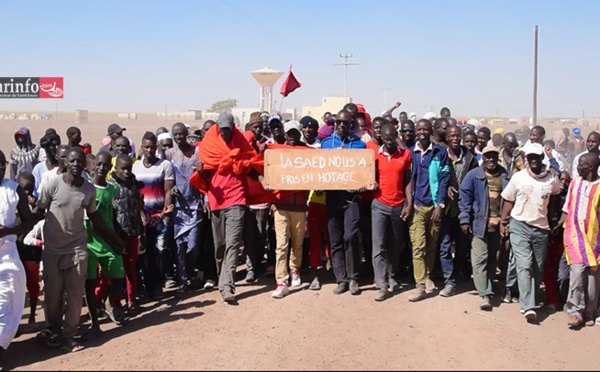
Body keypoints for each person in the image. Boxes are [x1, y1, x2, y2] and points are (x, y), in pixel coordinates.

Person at [34, 147, 123, 352]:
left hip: (77, 249)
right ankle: (53, 330)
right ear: (65, 162)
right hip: (53, 250)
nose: (75, 164)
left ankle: (69, 336)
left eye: (79, 161)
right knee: (53, 295)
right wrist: (18, 233)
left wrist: (114, 240)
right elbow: (38, 211)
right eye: (72, 161)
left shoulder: (88, 190)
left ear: (85, 164)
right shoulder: (52, 186)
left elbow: (95, 219)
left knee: (75, 294)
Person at [193, 112, 262, 303]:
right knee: (220, 245)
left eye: (227, 129)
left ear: (233, 127)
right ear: (217, 127)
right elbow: (206, 176)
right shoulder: (209, 144)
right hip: (217, 199)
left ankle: (226, 286)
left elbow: (250, 163)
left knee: (233, 243)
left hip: (237, 198)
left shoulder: (241, 142)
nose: (224, 132)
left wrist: (262, 179)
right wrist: (201, 171)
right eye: (221, 128)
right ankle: (222, 276)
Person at [500, 142, 560, 322]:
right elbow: (508, 200)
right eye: (530, 157)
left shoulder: (551, 179)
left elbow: (554, 201)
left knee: (537, 267)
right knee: (524, 264)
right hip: (520, 225)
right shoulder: (518, 177)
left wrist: (553, 223)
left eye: (537, 157)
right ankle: (528, 306)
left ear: (542, 158)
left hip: (541, 228)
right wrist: (504, 221)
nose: (533, 160)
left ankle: (529, 298)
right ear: (526, 158)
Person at [321, 109, 367, 295]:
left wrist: (365, 183)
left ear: (351, 125)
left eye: (344, 123)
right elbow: (318, 170)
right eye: (338, 122)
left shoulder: (360, 146)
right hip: (332, 197)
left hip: (352, 199)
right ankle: (341, 279)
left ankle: (354, 277)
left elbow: (365, 171)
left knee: (351, 237)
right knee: (336, 240)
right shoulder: (325, 145)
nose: (341, 125)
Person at [459, 146, 510, 309]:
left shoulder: (505, 176)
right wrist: (465, 220)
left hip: (498, 227)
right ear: (484, 158)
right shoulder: (474, 176)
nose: (491, 160)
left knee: (492, 259)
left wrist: (506, 223)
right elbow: (464, 199)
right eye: (488, 156)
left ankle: (488, 284)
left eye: (494, 156)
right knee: (479, 259)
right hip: (479, 226)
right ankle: (485, 294)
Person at [408, 119, 451, 302]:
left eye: (426, 129)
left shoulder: (440, 152)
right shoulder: (410, 153)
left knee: (432, 245)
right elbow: (406, 180)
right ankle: (420, 286)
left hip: (434, 206)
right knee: (418, 246)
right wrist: (409, 203)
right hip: (417, 206)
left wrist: (440, 204)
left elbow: (444, 178)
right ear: (416, 132)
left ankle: (428, 275)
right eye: (419, 129)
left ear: (431, 131)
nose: (422, 132)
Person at [556, 153, 600, 328]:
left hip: (594, 242)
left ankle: (589, 313)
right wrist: (559, 224)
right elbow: (567, 207)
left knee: (592, 281)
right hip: (574, 237)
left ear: (590, 167)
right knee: (576, 275)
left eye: (581, 165)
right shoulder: (575, 184)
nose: (578, 167)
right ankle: (575, 311)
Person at [84, 151, 126, 335]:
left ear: (110, 167)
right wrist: (115, 239)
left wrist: (118, 237)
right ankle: (94, 322)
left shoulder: (111, 189)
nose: (102, 168)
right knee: (90, 285)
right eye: (99, 164)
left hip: (108, 242)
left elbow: (112, 216)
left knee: (118, 278)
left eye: (106, 165)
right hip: (90, 243)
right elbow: (92, 222)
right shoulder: (87, 189)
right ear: (92, 165)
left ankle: (110, 302)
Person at [370, 123, 412, 301]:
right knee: (378, 245)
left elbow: (408, 181)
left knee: (396, 244)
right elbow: (367, 175)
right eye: (385, 138)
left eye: (391, 138)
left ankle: (391, 273)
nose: (388, 141)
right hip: (379, 204)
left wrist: (409, 204)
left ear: (396, 137)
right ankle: (382, 284)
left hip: (398, 205)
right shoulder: (374, 155)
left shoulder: (405, 155)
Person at [0, 151, 35, 356]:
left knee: (5, 301)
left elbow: (29, 220)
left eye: (1, 165)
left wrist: (9, 231)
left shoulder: (14, 191)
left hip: (6, 257)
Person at [133, 132, 174, 300]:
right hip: (143, 218)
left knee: (161, 253)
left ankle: (158, 285)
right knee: (146, 255)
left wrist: (166, 214)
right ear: (141, 148)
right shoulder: (135, 166)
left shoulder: (165, 165)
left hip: (160, 216)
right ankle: (148, 288)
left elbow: (168, 191)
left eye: (152, 147)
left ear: (156, 147)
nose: (149, 150)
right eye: (146, 147)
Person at [270, 121, 310, 299]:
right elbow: (269, 174)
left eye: (295, 133)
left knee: (298, 242)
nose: (292, 137)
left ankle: (295, 269)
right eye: (289, 134)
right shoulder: (276, 153)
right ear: (285, 135)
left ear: (299, 134)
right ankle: (281, 279)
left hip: (300, 205)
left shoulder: (309, 154)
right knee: (281, 244)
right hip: (281, 205)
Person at [438, 125, 478, 297]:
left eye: (457, 136)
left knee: (462, 248)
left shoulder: (470, 159)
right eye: (451, 136)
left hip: (464, 211)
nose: (455, 138)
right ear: (446, 138)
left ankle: (457, 275)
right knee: (444, 246)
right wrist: (445, 188)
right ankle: (449, 281)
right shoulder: (439, 155)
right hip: (445, 210)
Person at [165, 122, 204, 294]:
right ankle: (183, 280)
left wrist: (201, 170)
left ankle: (191, 271)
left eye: (181, 134)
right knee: (179, 245)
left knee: (193, 245)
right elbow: (166, 177)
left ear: (187, 133)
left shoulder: (197, 152)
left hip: (195, 204)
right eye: (176, 134)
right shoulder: (168, 154)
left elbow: (205, 176)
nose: (179, 137)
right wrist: (171, 188)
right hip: (178, 207)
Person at [110, 154, 144, 315]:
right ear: (116, 169)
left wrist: (140, 230)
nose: (126, 172)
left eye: (129, 168)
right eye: (123, 169)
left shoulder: (134, 185)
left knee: (131, 267)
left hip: (132, 230)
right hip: (118, 234)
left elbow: (138, 207)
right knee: (117, 270)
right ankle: (115, 302)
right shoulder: (111, 186)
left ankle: (131, 300)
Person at [16, 172, 42, 324]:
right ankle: (16, 317)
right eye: (24, 190)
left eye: (30, 190)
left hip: (32, 252)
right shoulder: (12, 203)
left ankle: (32, 315)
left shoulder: (37, 204)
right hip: (16, 250)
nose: (27, 194)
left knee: (32, 284)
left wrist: (36, 205)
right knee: (17, 287)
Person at [32, 131, 61, 197]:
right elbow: (36, 191)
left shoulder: (64, 166)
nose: (56, 148)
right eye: (53, 146)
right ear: (47, 148)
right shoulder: (38, 169)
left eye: (58, 145)